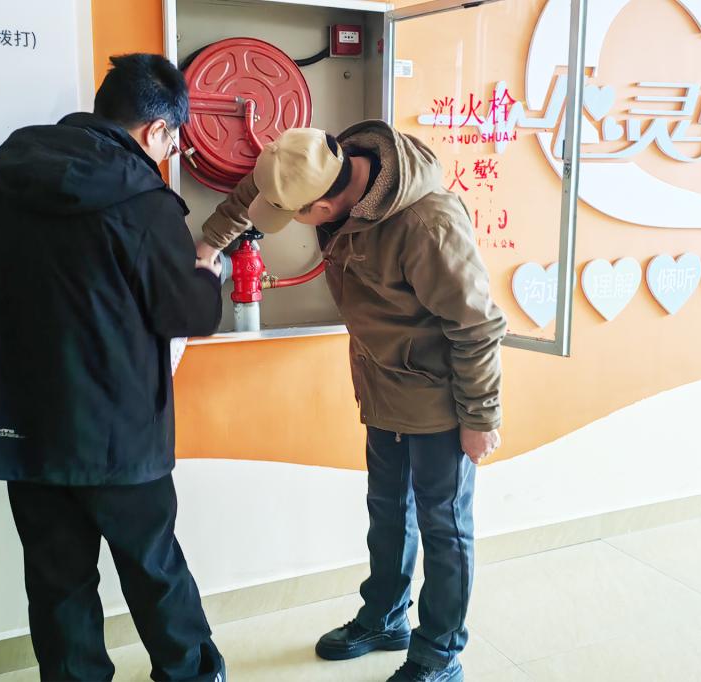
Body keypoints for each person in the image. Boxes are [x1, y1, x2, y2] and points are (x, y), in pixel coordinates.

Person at [0, 53, 227, 682]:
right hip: (117, 431)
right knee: (153, 569)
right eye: (171, 141)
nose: (168, 153)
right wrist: (207, 272)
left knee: (56, 579)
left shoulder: (2, 172)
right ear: (156, 130)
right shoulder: (145, 199)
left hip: (22, 423)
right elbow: (186, 312)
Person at [198, 122, 506, 682]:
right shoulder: (315, 162)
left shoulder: (427, 224)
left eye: (293, 216)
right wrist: (209, 243)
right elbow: (257, 190)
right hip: (382, 390)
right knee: (387, 514)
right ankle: (385, 618)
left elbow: (478, 326)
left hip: (439, 404)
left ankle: (439, 654)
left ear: (322, 207)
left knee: (444, 528)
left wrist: (480, 419)